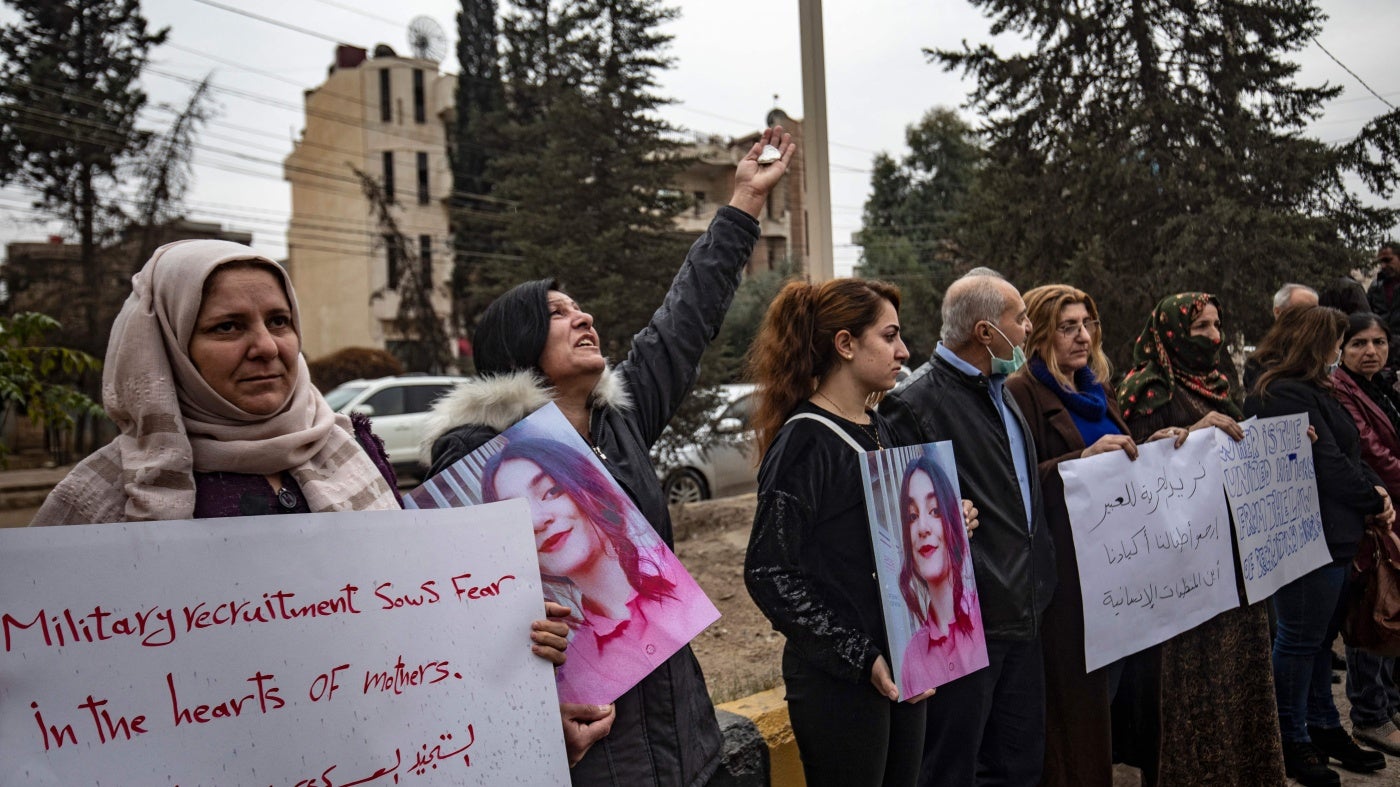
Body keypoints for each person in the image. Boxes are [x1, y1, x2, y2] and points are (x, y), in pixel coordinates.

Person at [28, 239, 572, 716]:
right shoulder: (103, 494)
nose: (266, 346)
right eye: (227, 326)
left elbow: (415, 621)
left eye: (279, 321)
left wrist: (506, 630)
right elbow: (55, 692)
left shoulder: (351, 451)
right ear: (168, 348)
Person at [420, 126, 796, 784]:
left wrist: (742, 203)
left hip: (686, 732)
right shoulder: (475, 461)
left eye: (580, 307)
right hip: (589, 750)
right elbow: (453, 619)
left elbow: (685, 319)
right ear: (517, 341)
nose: (583, 316)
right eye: (558, 312)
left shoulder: (619, 420)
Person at [745, 277, 931, 786]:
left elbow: (887, 543)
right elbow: (769, 572)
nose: (904, 350)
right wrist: (858, 655)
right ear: (845, 344)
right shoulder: (805, 441)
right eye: (889, 336)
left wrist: (944, 524)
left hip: (900, 665)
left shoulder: (880, 423)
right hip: (841, 684)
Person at [1003, 284, 1185, 787]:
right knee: (1078, 708)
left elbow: (1116, 460)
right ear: (1039, 333)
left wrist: (1153, 448)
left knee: (1123, 695)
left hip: (1122, 573)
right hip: (1069, 580)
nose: (1083, 336)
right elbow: (1016, 483)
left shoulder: (1097, 389)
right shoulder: (1021, 393)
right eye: (1068, 326)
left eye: (1087, 324)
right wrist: (1077, 462)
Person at [880, 267, 1055, 786]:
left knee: (1020, 766)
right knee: (952, 769)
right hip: (963, 627)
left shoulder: (1005, 390)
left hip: (1024, 613)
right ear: (985, 332)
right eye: (1020, 319)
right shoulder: (913, 405)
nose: (1027, 330)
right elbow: (904, 527)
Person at [1246, 305, 1394, 786]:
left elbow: (1348, 451)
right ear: (1315, 344)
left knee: (1316, 640)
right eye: (1337, 342)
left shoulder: (1317, 389)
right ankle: (1290, 737)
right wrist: (1373, 499)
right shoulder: (1282, 392)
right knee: (1300, 639)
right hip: (1310, 536)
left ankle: (1323, 725)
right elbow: (1328, 463)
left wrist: (1379, 493)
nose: (1341, 351)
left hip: (1337, 535)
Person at [481, 435, 715, 703]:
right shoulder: (574, 672)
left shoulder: (677, 585)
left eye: (552, 491)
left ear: (588, 486)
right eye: (516, 515)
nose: (537, 520)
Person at [1330, 312, 1400, 756]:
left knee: (1392, 608)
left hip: (1389, 510)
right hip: (1369, 516)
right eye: (1358, 343)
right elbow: (1371, 451)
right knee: (1371, 610)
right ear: (1341, 348)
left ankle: (1387, 706)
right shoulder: (1341, 389)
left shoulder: (1380, 386)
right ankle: (1370, 715)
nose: (1370, 351)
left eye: (1378, 341)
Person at [896, 450, 987, 694]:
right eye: (912, 516)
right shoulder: (912, 656)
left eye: (935, 510)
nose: (923, 528)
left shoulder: (984, 611)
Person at [1367, 242, 1400, 339]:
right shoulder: (1375, 287)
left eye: (1388, 260)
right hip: (1382, 344)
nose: (1383, 266)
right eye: (1381, 262)